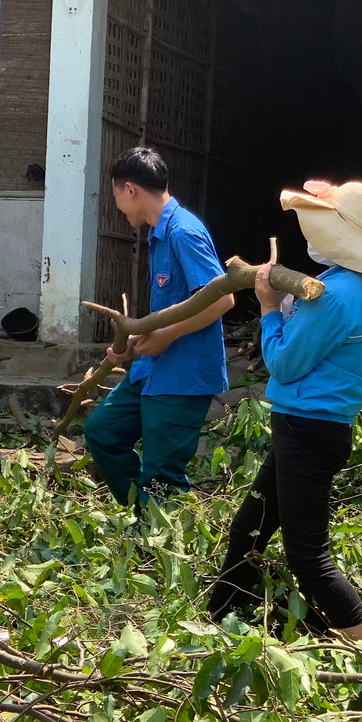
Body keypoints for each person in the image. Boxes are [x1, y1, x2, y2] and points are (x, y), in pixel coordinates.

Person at [207, 180, 362, 642]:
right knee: (249, 529)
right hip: (307, 427)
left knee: (309, 557)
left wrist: (271, 310)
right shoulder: (353, 285)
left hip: (310, 429)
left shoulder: (335, 293)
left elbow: (284, 363)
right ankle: (216, 624)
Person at [84, 147, 233, 506]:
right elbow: (171, 309)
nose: (117, 205)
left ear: (130, 190)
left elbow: (222, 299)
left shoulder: (183, 232)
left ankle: (159, 543)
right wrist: (138, 339)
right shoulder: (159, 233)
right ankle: (142, 516)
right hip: (152, 372)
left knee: (162, 474)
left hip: (183, 376)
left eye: (116, 194)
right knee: (102, 432)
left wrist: (166, 336)